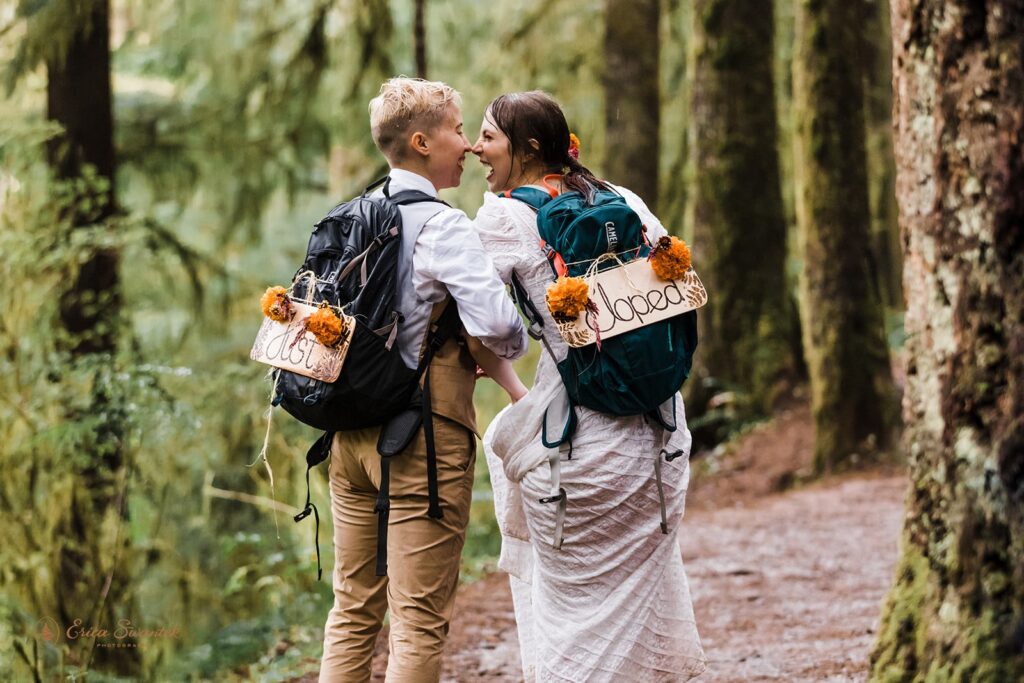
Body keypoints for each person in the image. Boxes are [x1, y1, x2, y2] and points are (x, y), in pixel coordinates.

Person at [471, 91, 707, 681]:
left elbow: (484, 324)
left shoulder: (501, 217)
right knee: (638, 599)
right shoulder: (621, 200)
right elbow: (671, 281)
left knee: (575, 619)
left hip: (578, 445)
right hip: (659, 437)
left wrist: (513, 387)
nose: (477, 148)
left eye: (488, 138)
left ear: (527, 149)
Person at [319, 77, 529, 682]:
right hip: (422, 445)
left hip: (350, 439)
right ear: (421, 142)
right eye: (458, 131)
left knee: (353, 610)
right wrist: (507, 344)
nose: (467, 145)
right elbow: (497, 323)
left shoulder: (352, 216)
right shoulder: (443, 226)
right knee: (417, 622)